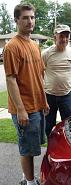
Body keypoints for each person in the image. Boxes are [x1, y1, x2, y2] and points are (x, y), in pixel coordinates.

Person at [3, 3, 49, 185]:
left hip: (37, 106)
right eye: (25, 18)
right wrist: (21, 110)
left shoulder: (34, 45)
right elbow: (11, 80)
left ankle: (26, 176)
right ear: (16, 20)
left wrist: (44, 100)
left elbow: (39, 76)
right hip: (25, 109)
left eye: (32, 17)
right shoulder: (12, 47)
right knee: (27, 149)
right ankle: (30, 182)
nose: (30, 21)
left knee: (33, 145)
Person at [42, 24, 71, 138]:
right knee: (49, 126)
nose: (64, 39)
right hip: (49, 96)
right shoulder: (45, 54)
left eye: (67, 36)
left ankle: (67, 152)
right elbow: (39, 73)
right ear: (55, 37)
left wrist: (65, 84)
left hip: (66, 96)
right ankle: (51, 150)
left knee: (68, 126)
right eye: (61, 36)